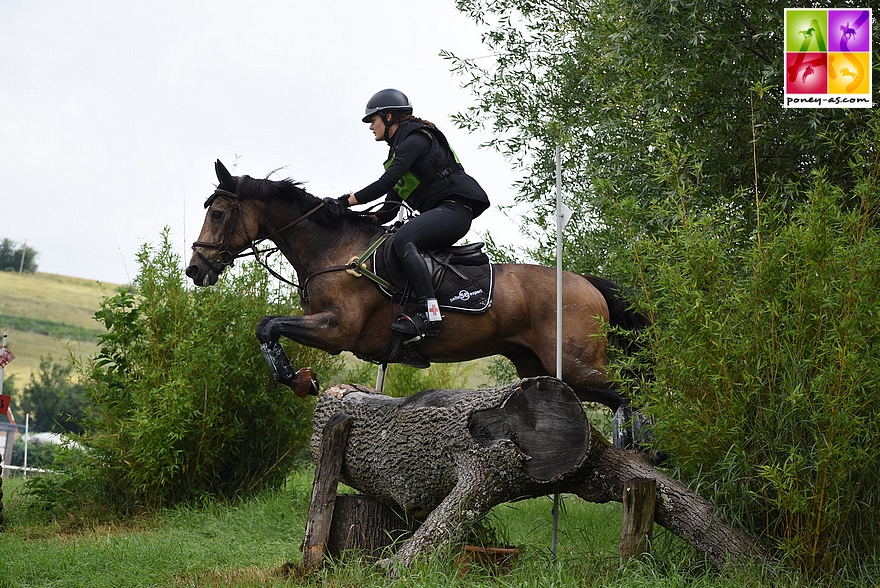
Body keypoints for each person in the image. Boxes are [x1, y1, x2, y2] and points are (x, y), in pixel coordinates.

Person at [335, 89, 490, 341]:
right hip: (443, 211)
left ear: (388, 116)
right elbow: (389, 209)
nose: (370, 127)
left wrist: (344, 202)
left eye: (372, 120)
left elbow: (384, 183)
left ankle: (429, 313)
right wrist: (363, 219)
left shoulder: (415, 140)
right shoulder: (399, 151)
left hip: (454, 209)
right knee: (391, 238)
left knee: (403, 239)